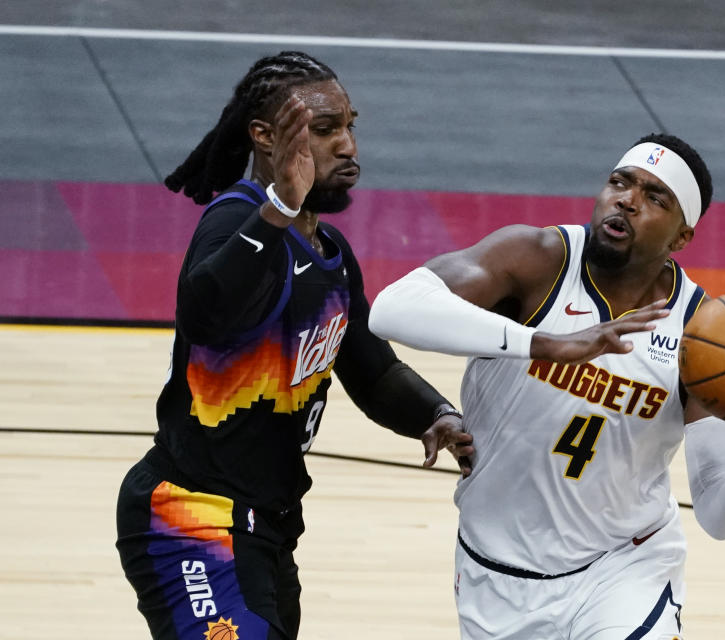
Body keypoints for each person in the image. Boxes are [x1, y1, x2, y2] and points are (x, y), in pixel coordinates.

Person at [369, 133, 725, 639]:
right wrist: (543, 344)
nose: (626, 199)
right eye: (619, 182)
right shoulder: (537, 260)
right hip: (495, 573)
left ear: (681, 237)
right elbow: (391, 309)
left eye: (655, 197)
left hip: (624, 571)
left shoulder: (703, 332)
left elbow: (717, 514)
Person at [115, 51, 473, 640]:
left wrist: (434, 415)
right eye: (326, 129)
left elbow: (369, 367)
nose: (350, 146)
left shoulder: (330, 251)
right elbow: (205, 313)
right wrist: (277, 207)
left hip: (268, 526)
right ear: (264, 136)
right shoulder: (233, 222)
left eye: (351, 125)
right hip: (192, 517)